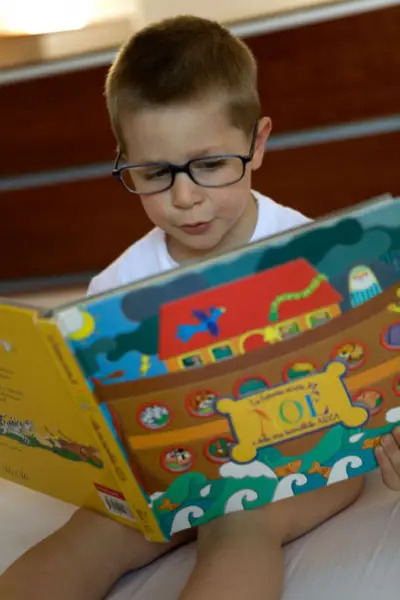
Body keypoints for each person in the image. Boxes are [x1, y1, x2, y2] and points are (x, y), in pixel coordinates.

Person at [1, 15, 400, 600]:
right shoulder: (115, 287)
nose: (185, 198)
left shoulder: (319, 256)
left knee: (237, 523)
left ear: (256, 144)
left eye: (210, 166)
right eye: (154, 174)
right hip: (173, 471)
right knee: (93, 534)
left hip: (303, 462)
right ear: (126, 159)